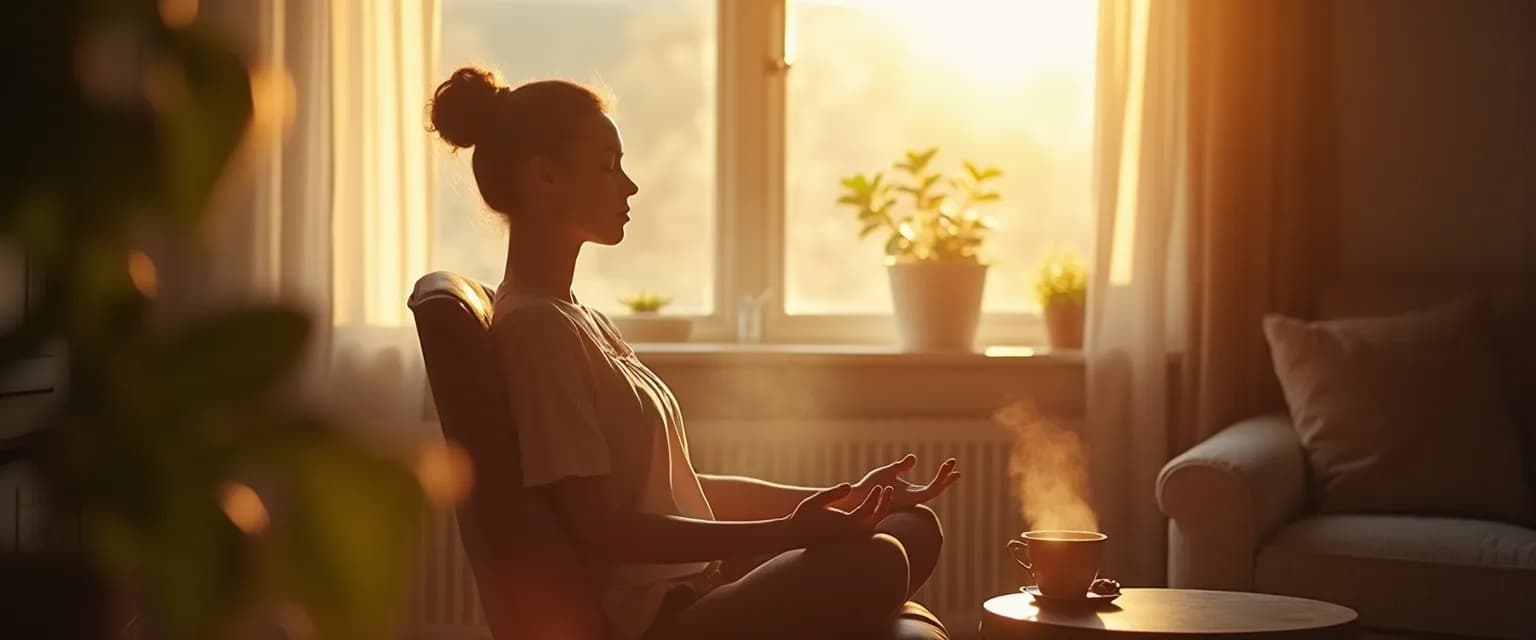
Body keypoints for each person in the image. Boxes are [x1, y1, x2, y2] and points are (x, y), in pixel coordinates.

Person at [427, 67, 961, 640]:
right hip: (658, 621)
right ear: (545, 177)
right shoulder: (537, 330)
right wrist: (789, 531)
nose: (629, 186)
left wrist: (850, 499)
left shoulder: (576, 316)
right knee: (880, 560)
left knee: (912, 526)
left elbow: (682, 492)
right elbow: (601, 531)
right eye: (608, 165)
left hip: (699, 586)